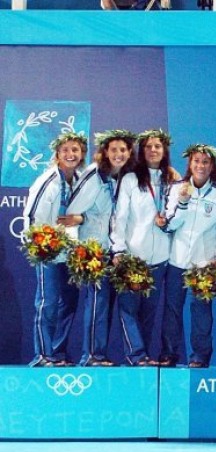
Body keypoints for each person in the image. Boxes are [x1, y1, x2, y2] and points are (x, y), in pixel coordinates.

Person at [159, 144, 216, 368]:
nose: (200, 166)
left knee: (201, 312)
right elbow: (169, 225)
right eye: (196, 161)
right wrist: (183, 203)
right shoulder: (177, 189)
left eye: (205, 162)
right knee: (172, 310)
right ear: (189, 163)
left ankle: (200, 357)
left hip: (204, 264)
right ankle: (169, 354)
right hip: (177, 261)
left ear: (212, 166)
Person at [67, 129, 137, 366]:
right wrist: (82, 222)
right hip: (94, 251)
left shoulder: (122, 177)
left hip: (112, 251)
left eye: (123, 150)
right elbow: (72, 209)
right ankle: (91, 355)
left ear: (129, 152)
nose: (118, 154)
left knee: (104, 305)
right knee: (97, 304)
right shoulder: (94, 174)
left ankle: (99, 354)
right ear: (105, 152)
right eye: (113, 149)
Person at [110, 129, 179, 366]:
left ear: (164, 150)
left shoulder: (173, 180)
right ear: (141, 151)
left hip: (160, 258)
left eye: (157, 146)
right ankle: (136, 355)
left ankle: (144, 358)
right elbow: (119, 217)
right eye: (148, 146)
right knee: (128, 309)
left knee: (149, 313)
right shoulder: (130, 180)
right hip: (133, 257)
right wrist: (119, 250)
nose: (153, 150)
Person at [23, 132, 87, 367]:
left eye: (75, 150)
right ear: (57, 154)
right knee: (48, 302)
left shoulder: (81, 181)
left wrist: (80, 219)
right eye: (65, 150)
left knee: (69, 303)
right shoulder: (47, 181)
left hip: (70, 254)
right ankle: (42, 354)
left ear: (82, 154)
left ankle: (58, 353)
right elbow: (31, 217)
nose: (70, 154)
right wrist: (40, 246)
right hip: (48, 250)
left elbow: (88, 213)